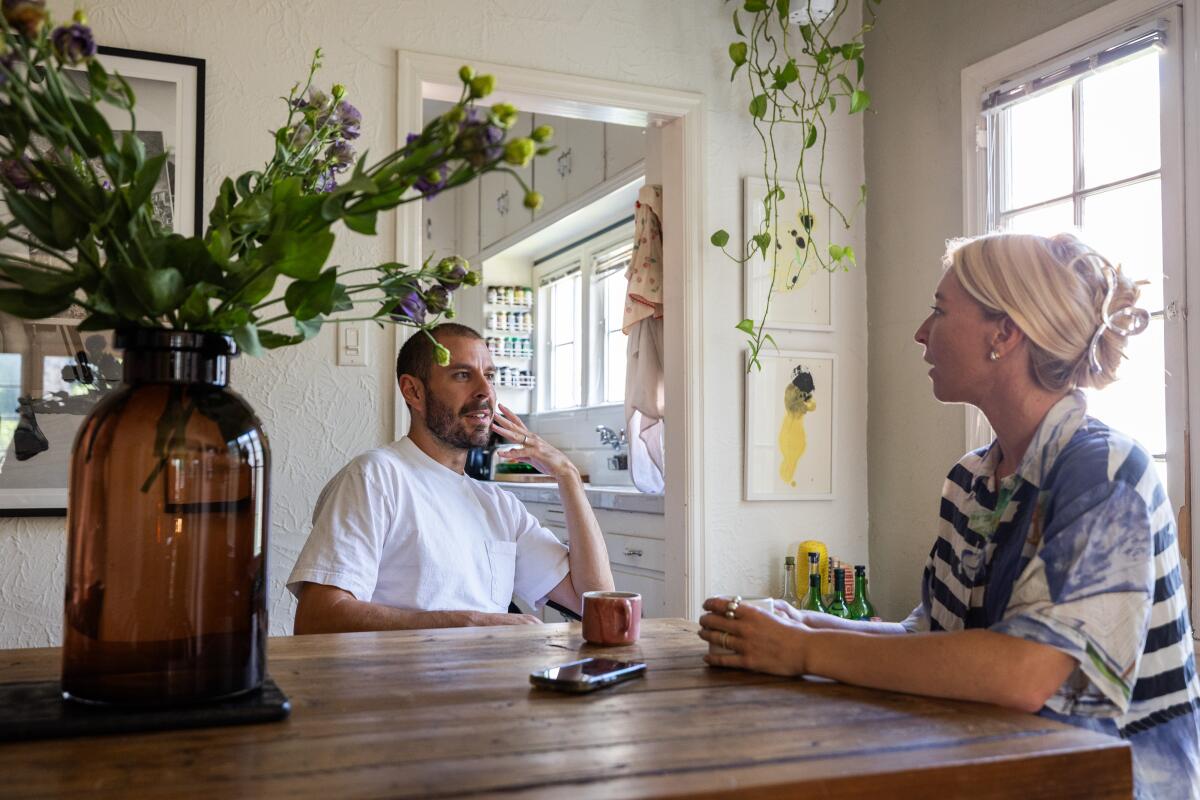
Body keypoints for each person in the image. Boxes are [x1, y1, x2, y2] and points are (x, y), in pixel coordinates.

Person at [699, 233, 1199, 799]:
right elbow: (931, 641)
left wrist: (805, 650)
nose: (920, 331)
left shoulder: (1104, 473)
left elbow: (1025, 672)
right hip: (999, 771)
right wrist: (798, 622)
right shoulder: (971, 481)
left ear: (1004, 334)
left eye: (939, 311)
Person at [289, 322, 614, 632]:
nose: (486, 391)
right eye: (463, 375)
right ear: (413, 392)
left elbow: (597, 604)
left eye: (489, 376)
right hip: (399, 687)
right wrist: (469, 625)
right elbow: (317, 618)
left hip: (485, 683)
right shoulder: (375, 478)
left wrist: (568, 476)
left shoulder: (501, 506)